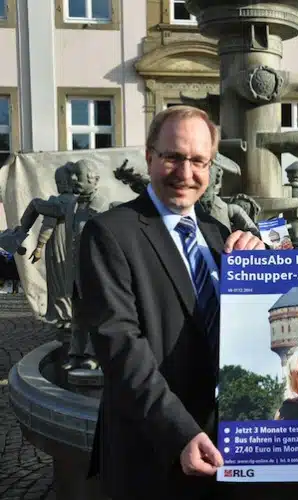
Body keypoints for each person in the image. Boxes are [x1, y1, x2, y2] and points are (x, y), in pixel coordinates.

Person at [79, 105, 265, 500]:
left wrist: (261, 266)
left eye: (198, 161)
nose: (185, 174)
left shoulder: (219, 235)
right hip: (154, 453)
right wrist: (181, 431)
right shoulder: (110, 233)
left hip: (226, 446)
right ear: (149, 157)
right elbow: (121, 348)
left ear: (211, 167)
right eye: (173, 158)